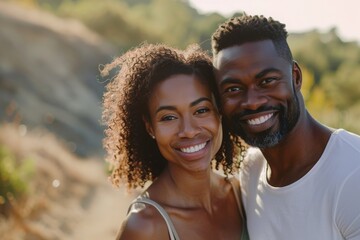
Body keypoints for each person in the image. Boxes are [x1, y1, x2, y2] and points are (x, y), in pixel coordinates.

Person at [211, 15, 360, 239]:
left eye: (267, 81)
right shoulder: (251, 170)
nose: (252, 101)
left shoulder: (353, 172)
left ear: (296, 77)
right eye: (233, 89)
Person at [101, 43, 249, 240]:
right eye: (169, 117)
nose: (188, 131)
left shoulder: (242, 194)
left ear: (219, 113)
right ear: (150, 127)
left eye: (201, 110)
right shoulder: (146, 226)